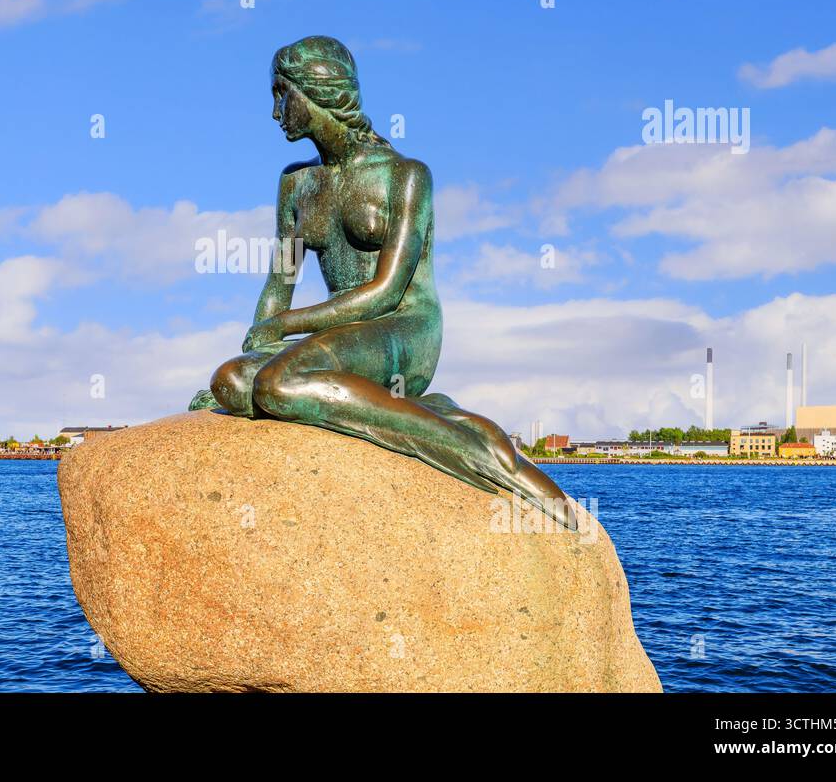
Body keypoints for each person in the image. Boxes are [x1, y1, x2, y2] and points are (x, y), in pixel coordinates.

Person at [190, 36, 578, 530]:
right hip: (343, 337)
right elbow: (279, 282)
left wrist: (285, 326)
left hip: (404, 329)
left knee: (277, 384)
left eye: (281, 93)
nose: (275, 111)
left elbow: (387, 291)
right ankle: (431, 414)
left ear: (318, 91)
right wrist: (257, 336)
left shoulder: (406, 175)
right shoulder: (295, 183)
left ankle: (486, 456)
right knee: (230, 380)